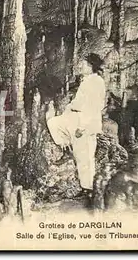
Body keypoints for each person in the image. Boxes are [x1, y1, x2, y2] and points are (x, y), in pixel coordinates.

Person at [46, 53, 106, 199]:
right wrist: (70, 106)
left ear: (91, 66)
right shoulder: (89, 81)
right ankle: (66, 145)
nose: (81, 66)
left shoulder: (94, 82)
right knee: (54, 122)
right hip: (77, 119)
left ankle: (89, 189)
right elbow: (81, 103)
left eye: (84, 64)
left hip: (84, 123)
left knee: (85, 157)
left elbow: (93, 107)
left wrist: (82, 127)